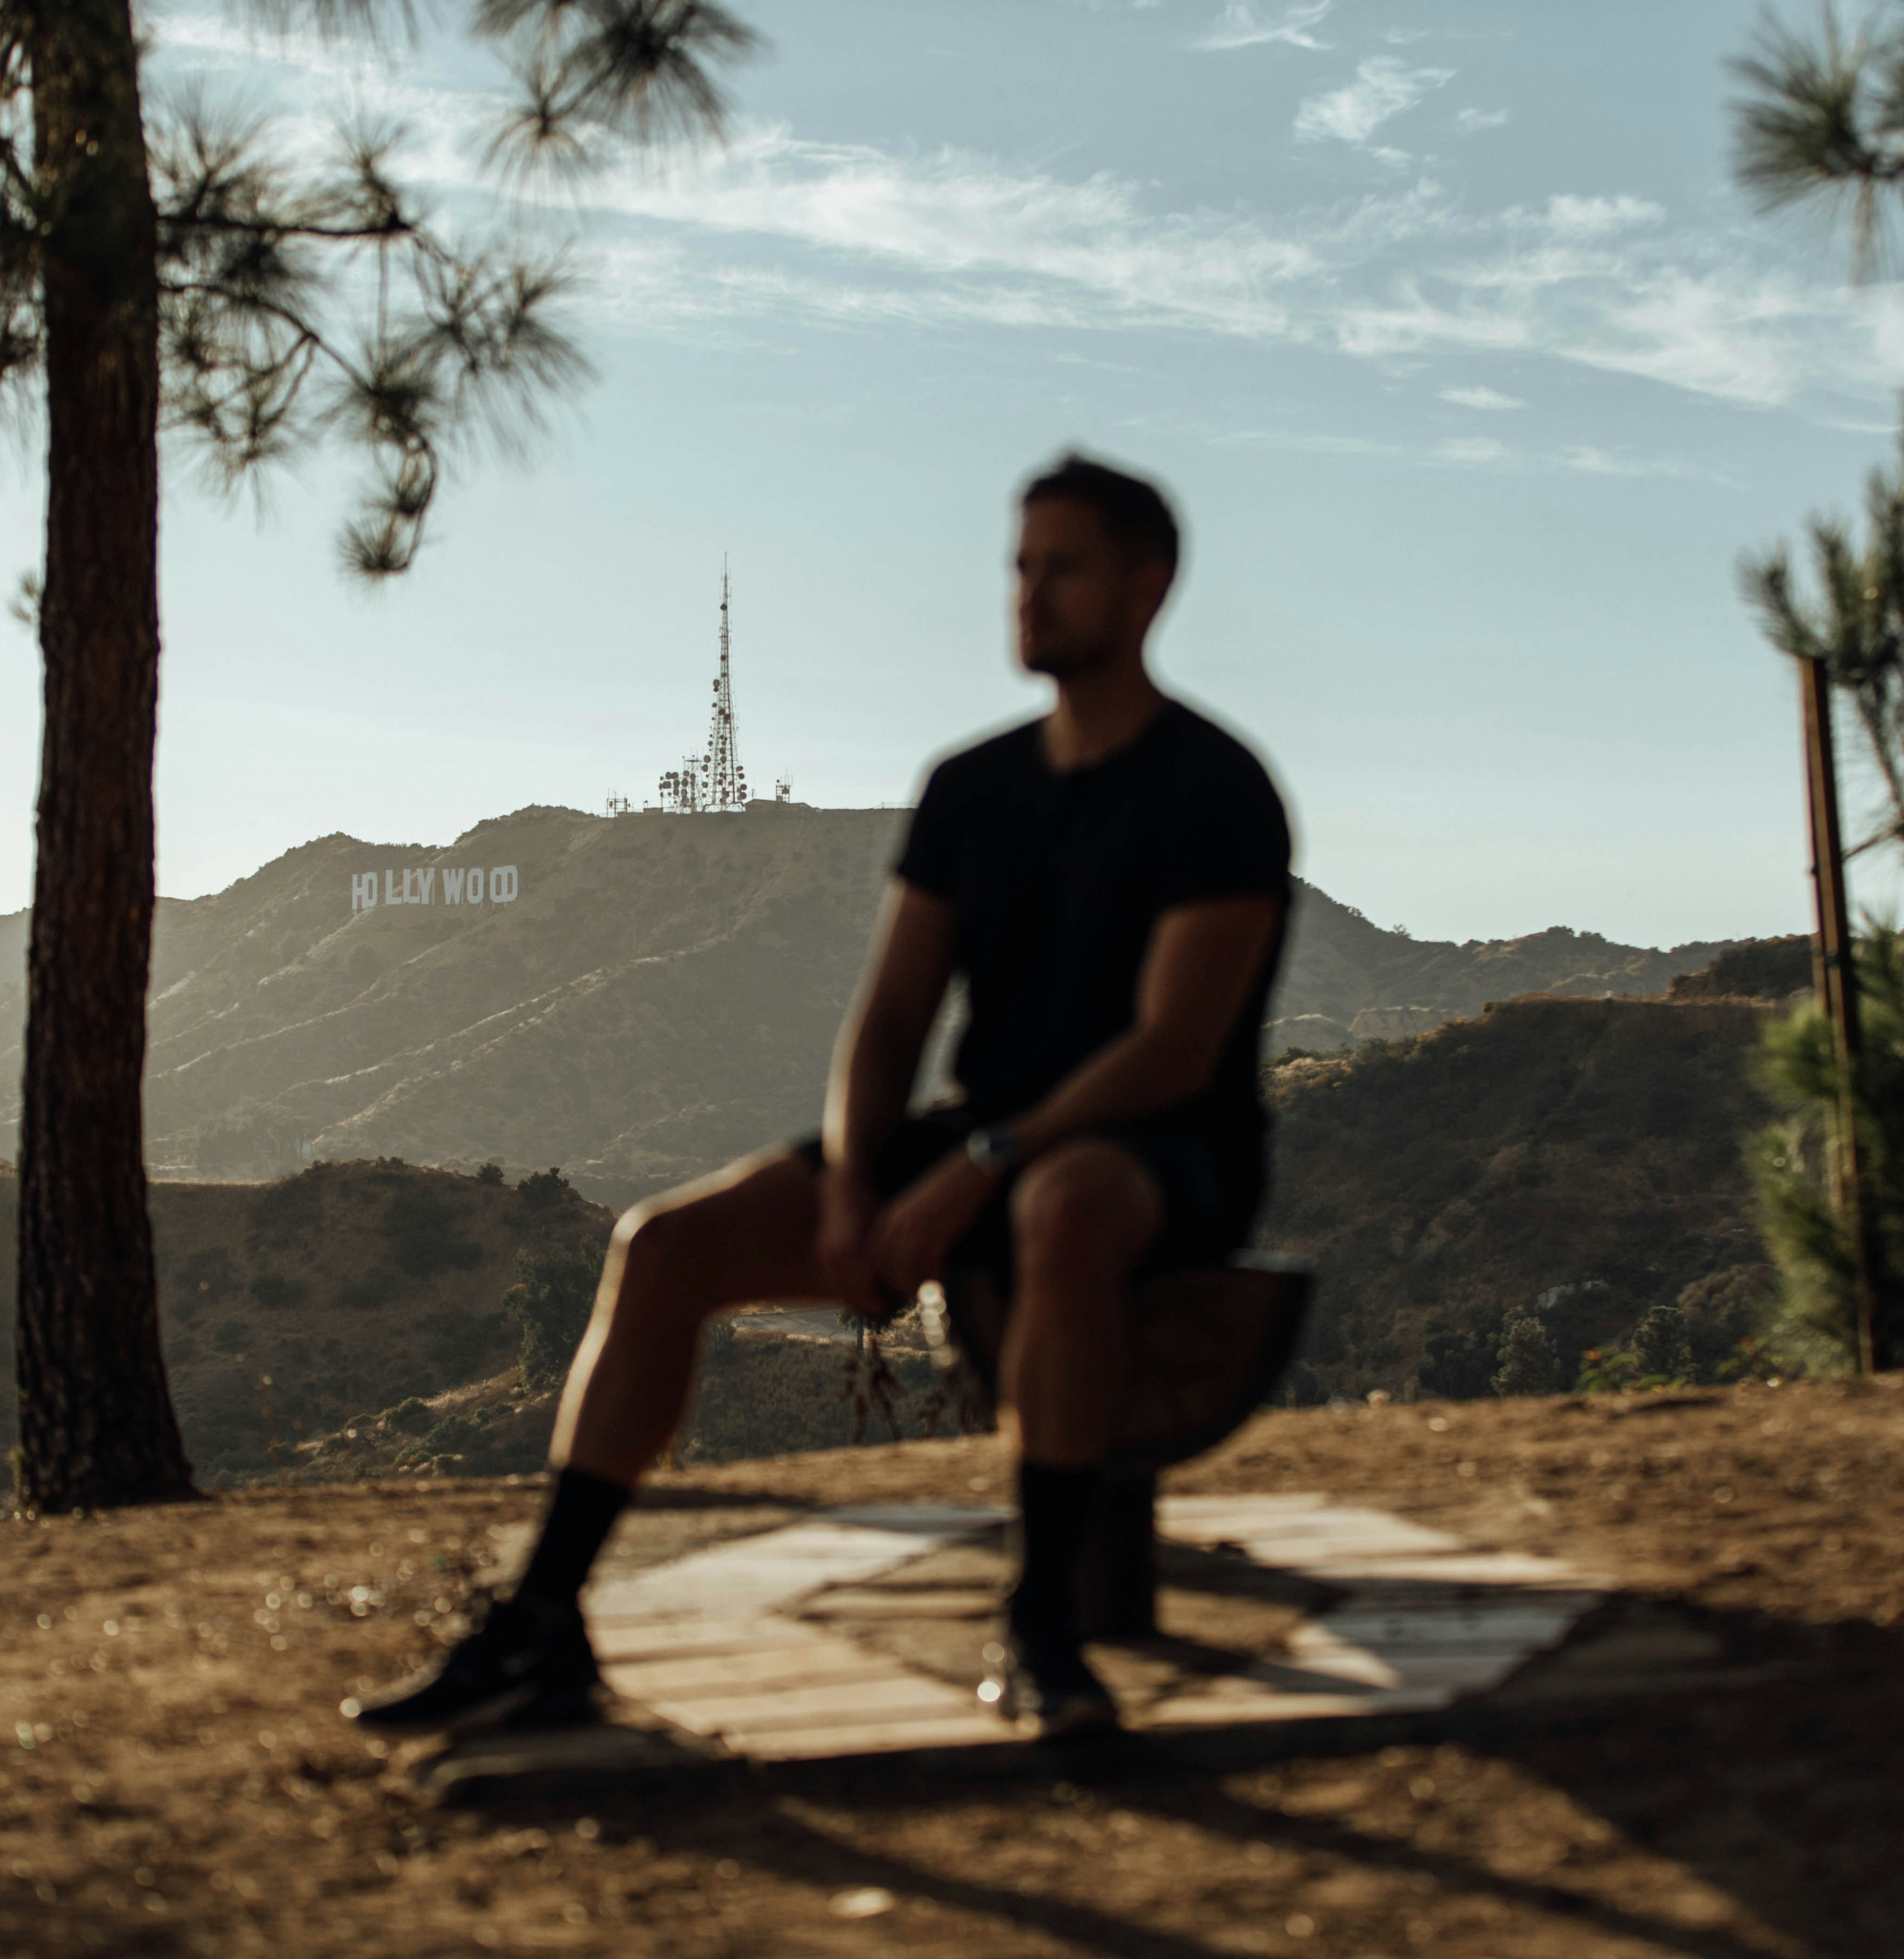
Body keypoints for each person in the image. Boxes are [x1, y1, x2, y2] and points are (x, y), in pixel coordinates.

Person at [345, 454, 1292, 1739]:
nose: (1030, 595)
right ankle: (544, 1621)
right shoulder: (975, 790)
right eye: (1020, 566)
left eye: (1063, 568)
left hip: (1158, 1153)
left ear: (1150, 585)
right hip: (980, 1140)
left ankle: (1044, 1627)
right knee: (662, 1245)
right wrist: (857, 1182)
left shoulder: (1215, 789)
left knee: (1062, 1202)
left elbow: (1175, 1047)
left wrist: (984, 1163)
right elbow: (893, 1014)